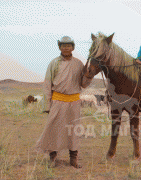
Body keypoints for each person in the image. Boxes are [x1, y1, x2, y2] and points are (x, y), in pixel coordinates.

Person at [35, 36, 92, 168]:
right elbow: (47, 84)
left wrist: (88, 76)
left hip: (74, 102)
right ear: (59, 47)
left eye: (69, 45)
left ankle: (73, 159)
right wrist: (47, 105)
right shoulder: (53, 63)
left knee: (73, 131)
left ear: (73, 47)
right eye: (63, 45)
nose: (66, 47)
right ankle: (53, 158)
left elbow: (83, 84)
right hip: (58, 101)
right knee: (54, 130)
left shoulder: (79, 64)